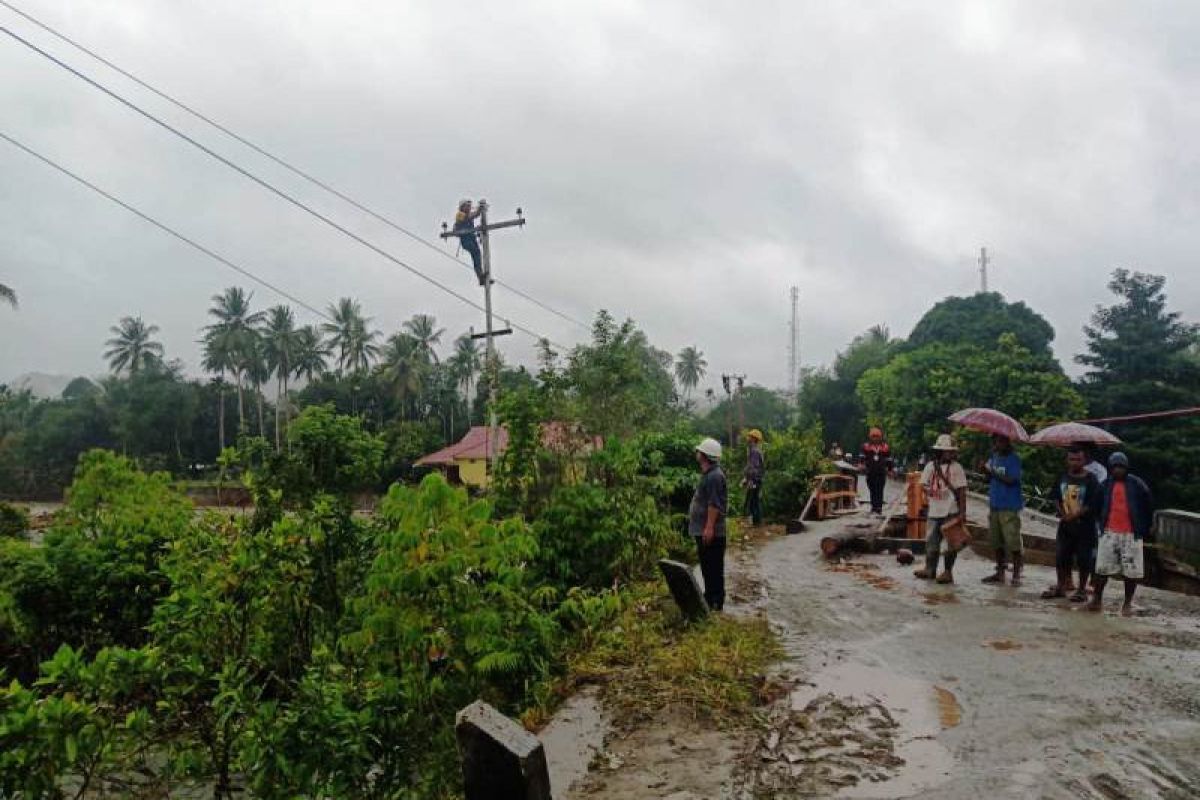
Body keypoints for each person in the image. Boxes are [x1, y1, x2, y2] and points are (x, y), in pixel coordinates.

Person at [1090, 452, 1153, 616]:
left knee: (1132, 571)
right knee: (1102, 569)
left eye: (1121, 467)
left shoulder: (1137, 484)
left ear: (1126, 467)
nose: (1118, 470)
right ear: (1110, 468)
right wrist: (1101, 525)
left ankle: (1127, 603)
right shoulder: (1104, 485)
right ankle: (1097, 599)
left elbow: (1148, 506)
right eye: (1115, 467)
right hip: (1109, 532)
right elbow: (1096, 506)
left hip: (1131, 534)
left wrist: (1145, 527)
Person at [1042, 448, 1104, 603]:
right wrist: (1063, 513)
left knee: (1084, 558)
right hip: (1066, 525)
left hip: (1085, 526)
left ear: (1084, 461)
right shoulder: (1062, 476)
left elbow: (1092, 503)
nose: (1074, 463)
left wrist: (1075, 514)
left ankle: (1081, 589)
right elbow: (1055, 497)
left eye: (1078, 459)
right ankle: (1061, 586)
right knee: (1062, 556)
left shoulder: (1092, 479)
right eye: (1071, 459)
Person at [914, 434, 968, 584]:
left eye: (951, 451)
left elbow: (962, 491)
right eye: (946, 451)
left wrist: (963, 512)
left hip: (951, 510)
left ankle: (948, 571)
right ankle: (930, 568)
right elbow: (923, 484)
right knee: (931, 542)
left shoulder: (957, 468)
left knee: (951, 544)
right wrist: (929, 491)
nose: (949, 454)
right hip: (934, 509)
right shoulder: (930, 466)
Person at [690, 437, 728, 611]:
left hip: (710, 530)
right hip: (705, 529)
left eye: (699, 451)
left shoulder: (714, 476)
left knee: (713, 567)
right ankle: (711, 597)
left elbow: (714, 504)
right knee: (707, 566)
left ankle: (716, 601)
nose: (697, 453)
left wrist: (709, 527)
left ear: (705, 455)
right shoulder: (710, 474)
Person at [980, 434, 1024, 586]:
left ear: (1007, 442)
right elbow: (988, 479)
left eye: (1001, 441)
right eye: (997, 441)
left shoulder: (1014, 459)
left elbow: (1012, 480)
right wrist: (984, 471)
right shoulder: (994, 457)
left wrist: (992, 472)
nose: (999, 444)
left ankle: (1017, 573)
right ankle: (1000, 572)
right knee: (996, 540)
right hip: (995, 503)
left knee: (1013, 541)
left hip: (1009, 505)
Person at [860, 427, 893, 515]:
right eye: (873, 436)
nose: (875, 438)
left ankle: (879, 508)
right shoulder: (866, 446)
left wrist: (890, 470)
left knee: (880, 489)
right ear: (870, 437)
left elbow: (889, 459)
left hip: (881, 472)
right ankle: (873, 506)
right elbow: (862, 457)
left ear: (880, 437)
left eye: (877, 436)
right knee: (872, 489)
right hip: (870, 471)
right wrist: (862, 465)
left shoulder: (885, 447)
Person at [453, 199, 486, 285]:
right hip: (466, 240)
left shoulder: (468, 215)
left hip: (472, 239)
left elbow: (474, 215)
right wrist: (479, 209)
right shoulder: (459, 214)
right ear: (462, 207)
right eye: (467, 206)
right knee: (476, 253)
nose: (469, 207)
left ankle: (481, 276)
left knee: (477, 256)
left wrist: (480, 210)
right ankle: (480, 276)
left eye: (469, 206)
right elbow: (471, 216)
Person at [742, 429, 765, 527]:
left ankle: (757, 522)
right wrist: (745, 478)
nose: (747, 438)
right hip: (755, 479)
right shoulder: (753, 450)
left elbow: (754, 468)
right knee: (753, 500)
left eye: (749, 436)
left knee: (753, 500)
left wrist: (750, 480)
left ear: (753, 439)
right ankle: (756, 522)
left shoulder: (755, 451)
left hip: (754, 480)